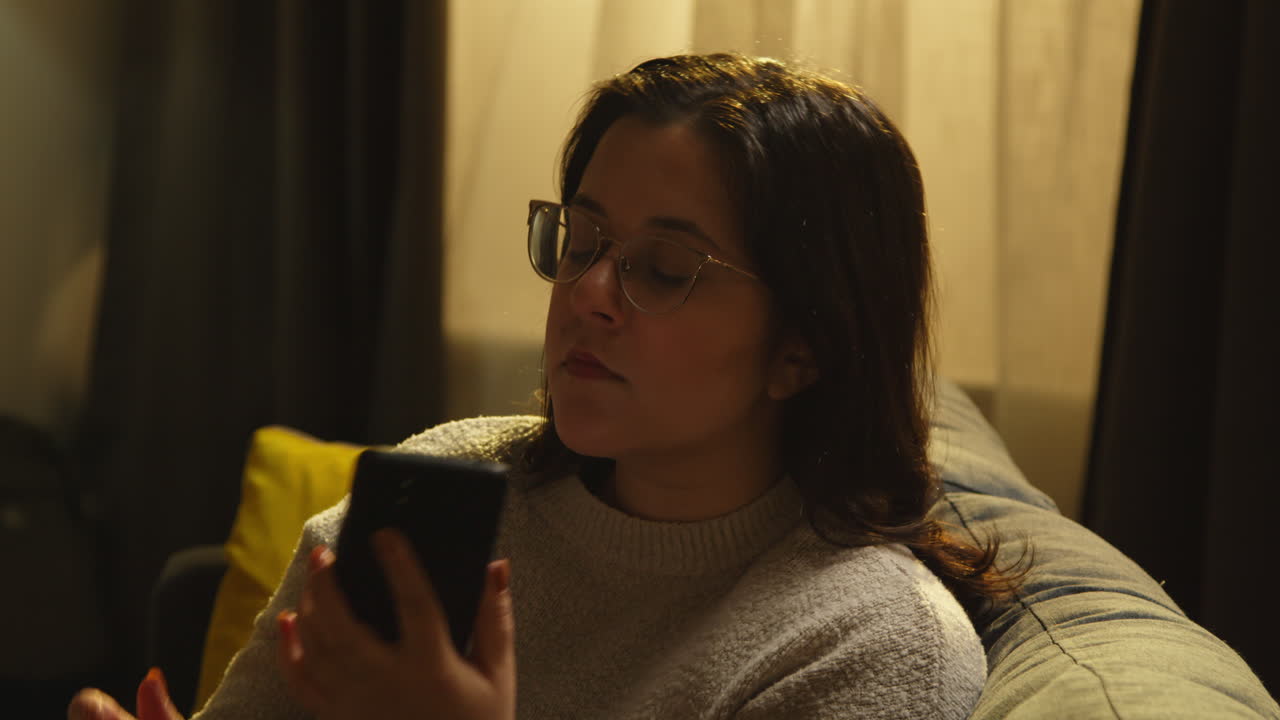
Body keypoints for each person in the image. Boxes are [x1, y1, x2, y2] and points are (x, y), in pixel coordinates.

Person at [70, 52, 1022, 720]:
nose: (589, 294)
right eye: (584, 239)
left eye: (662, 269)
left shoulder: (867, 649)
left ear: (803, 348)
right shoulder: (444, 490)